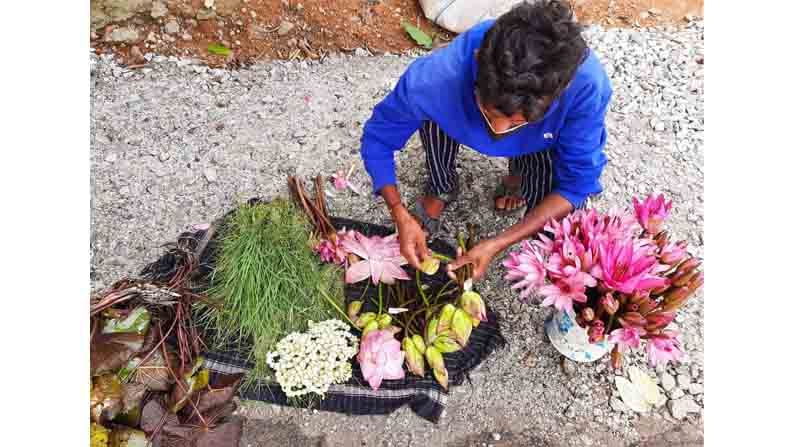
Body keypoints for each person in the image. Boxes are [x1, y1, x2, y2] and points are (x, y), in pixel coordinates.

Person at [359, 0, 612, 281]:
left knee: (546, 186)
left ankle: (518, 179)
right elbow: (379, 138)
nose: (498, 130)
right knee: (434, 114)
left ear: (560, 92)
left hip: (541, 140)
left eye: (516, 122)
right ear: (478, 61)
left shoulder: (586, 88)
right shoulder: (437, 78)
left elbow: (576, 185)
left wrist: (498, 242)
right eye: (490, 112)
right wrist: (399, 212)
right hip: (459, 113)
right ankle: (441, 185)